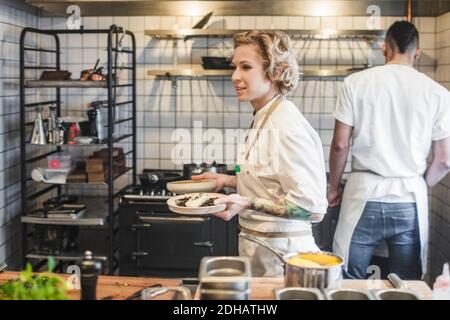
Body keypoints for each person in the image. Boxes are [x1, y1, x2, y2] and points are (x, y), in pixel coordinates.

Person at [192, 30, 328, 277]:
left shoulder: (286, 126)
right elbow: (269, 180)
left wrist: (245, 201)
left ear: (275, 72)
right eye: (235, 67)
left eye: (246, 67)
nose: (235, 77)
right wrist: (229, 181)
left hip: (283, 259)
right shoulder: (264, 115)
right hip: (262, 252)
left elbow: (313, 209)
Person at [328, 21, 450, 280]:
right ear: (417, 52)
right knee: (406, 283)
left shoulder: (355, 83)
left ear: (385, 49)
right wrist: (418, 183)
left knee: (348, 277)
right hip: (409, 198)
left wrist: (334, 188)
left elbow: (340, 145)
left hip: (362, 194)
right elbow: (444, 161)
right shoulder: (438, 94)